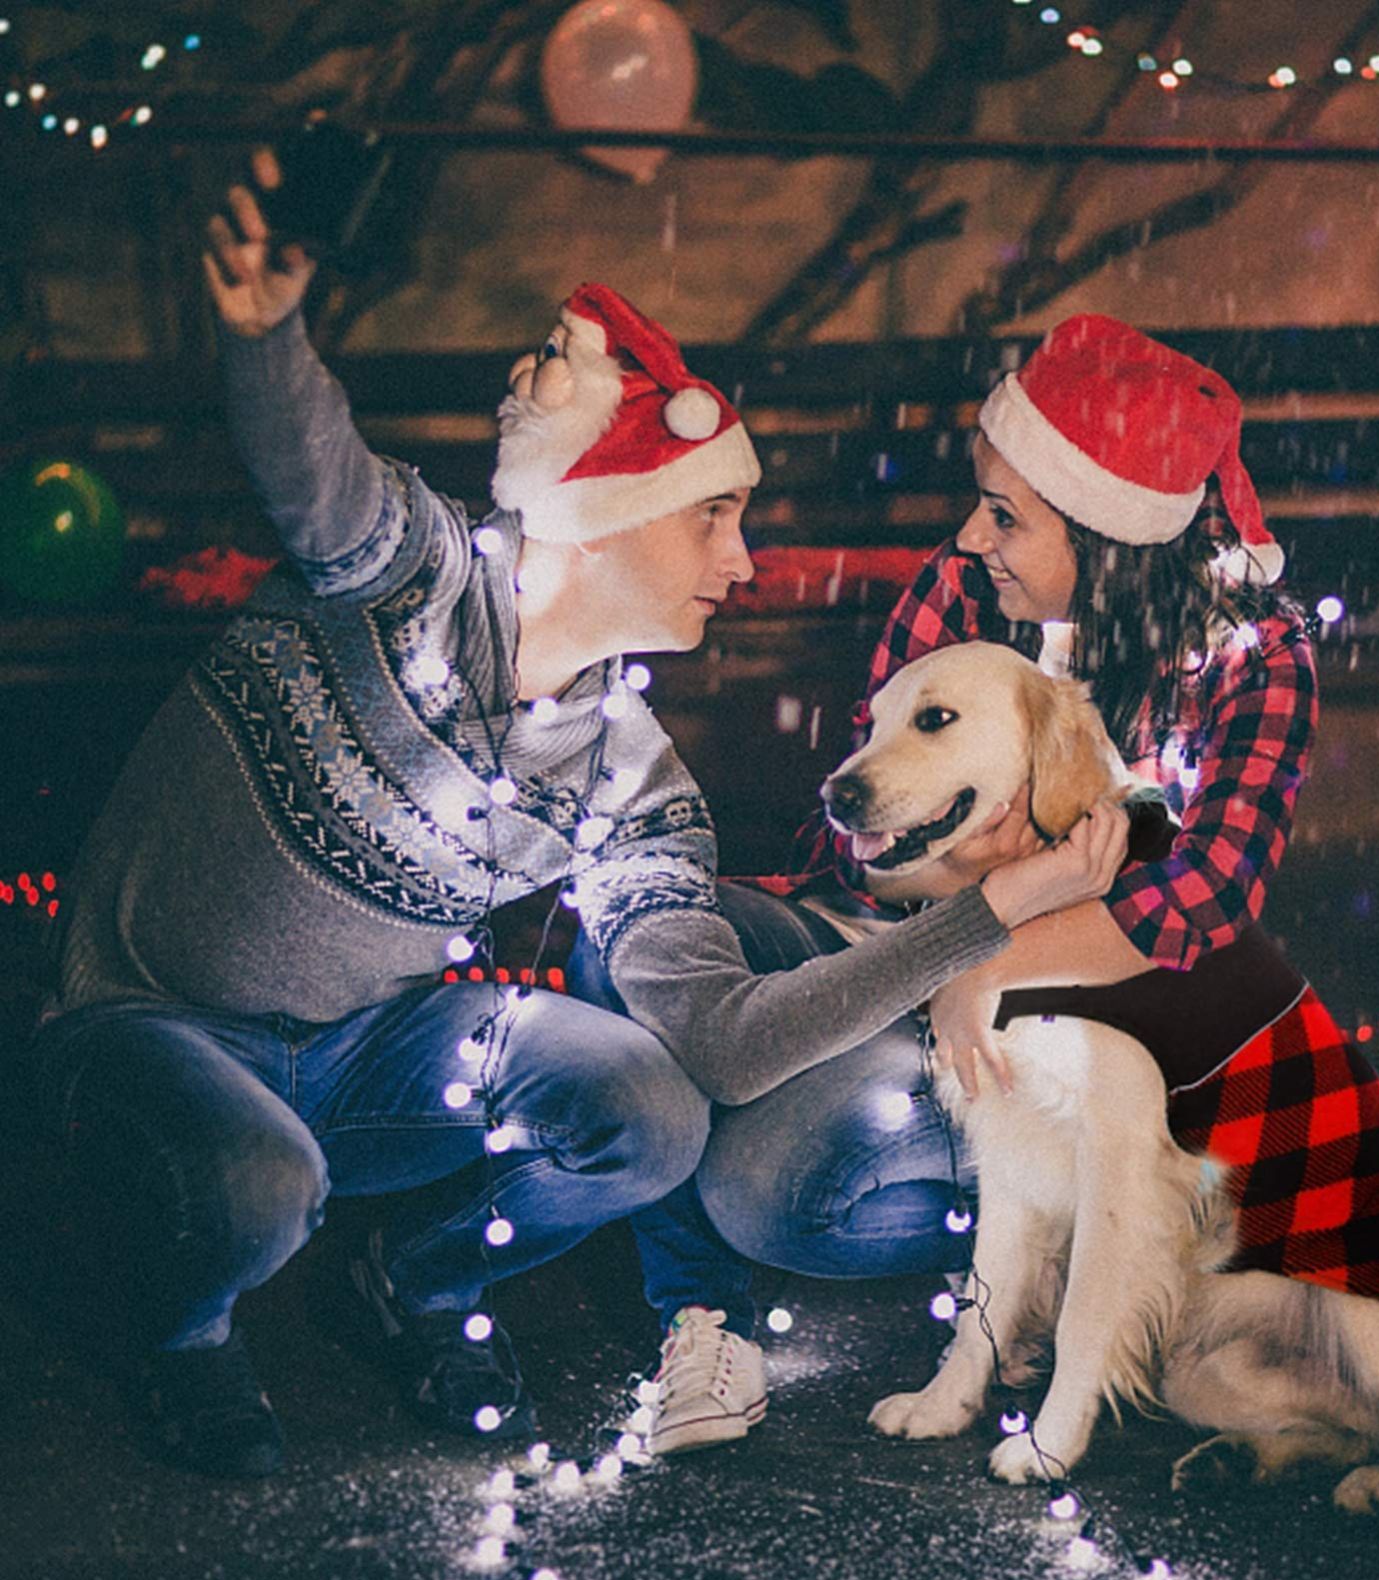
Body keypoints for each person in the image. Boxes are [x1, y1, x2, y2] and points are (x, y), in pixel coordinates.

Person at [25, 153, 1106, 1480]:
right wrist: (266, 336)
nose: (742, 563)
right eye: (717, 518)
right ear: (610, 520)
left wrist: (979, 923)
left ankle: (412, 1286)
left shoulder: (627, 770)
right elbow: (312, 469)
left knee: (644, 1106)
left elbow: (714, 1044)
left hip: (365, 1053)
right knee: (259, 1182)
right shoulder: (410, 575)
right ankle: (180, 1337)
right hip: (144, 1030)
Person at [600, 312, 1379, 1456]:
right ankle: (708, 1318)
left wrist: (982, 960)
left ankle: (1023, 1283)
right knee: (639, 941)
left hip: (1052, 1029)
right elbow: (875, 825)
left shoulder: (1253, 655)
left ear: (1109, 536)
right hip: (878, 946)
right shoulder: (962, 592)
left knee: (773, 1185)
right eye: (980, 501)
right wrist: (985, 907)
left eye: (1006, 512)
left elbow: (1195, 904)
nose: (970, 536)